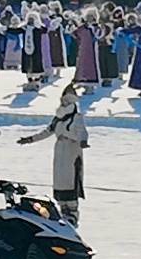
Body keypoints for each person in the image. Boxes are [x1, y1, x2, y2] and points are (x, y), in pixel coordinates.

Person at [18, 83, 89, 222]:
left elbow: (82, 131)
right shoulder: (58, 118)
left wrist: (83, 141)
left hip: (71, 151)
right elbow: (47, 132)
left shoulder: (76, 117)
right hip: (60, 152)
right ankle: (63, 211)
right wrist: (30, 139)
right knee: (60, 181)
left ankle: (73, 213)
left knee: (71, 180)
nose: (63, 103)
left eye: (66, 101)